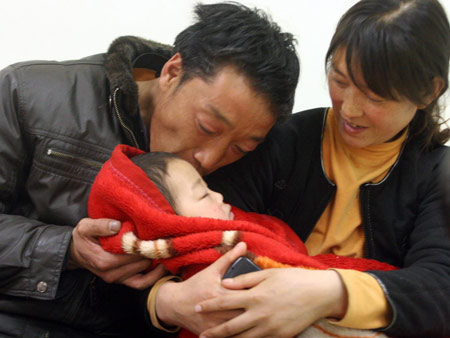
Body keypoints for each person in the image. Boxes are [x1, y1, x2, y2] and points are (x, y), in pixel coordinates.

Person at [0, 2, 299, 337]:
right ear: (172, 72)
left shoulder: (260, 161)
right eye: (207, 127)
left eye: (240, 147)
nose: (210, 159)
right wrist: (67, 249)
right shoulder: (28, 94)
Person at [193, 0, 448, 337]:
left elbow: (440, 287)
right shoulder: (283, 142)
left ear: (428, 92)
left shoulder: (437, 174)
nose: (350, 109)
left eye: (376, 97)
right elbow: (200, 231)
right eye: (340, 81)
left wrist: (329, 291)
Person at [90, 144, 397, 338]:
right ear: (169, 221)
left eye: (244, 143)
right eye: (203, 194)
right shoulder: (217, 252)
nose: (220, 195)